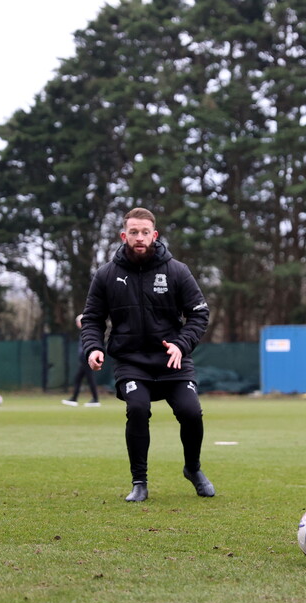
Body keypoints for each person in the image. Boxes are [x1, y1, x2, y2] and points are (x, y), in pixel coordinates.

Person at [81, 207, 214, 503]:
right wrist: (94, 347)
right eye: (133, 232)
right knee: (138, 409)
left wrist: (181, 344)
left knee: (191, 412)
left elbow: (199, 314)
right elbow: (92, 319)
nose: (139, 237)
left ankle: (193, 469)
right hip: (131, 361)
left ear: (154, 235)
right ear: (123, 236)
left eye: (144, 232)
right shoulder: (106, 275)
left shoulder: (177, 271)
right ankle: (139, 482)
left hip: (172, 359)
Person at [61, 314, 100, 407]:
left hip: (86, 358)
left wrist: (86, 356)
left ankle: (95, 399)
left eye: (77, 322)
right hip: (84, 359)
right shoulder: (84, 331)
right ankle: (75, 398)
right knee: (79, 378)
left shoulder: (87, 332)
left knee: (89, 379)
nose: (77, 324)